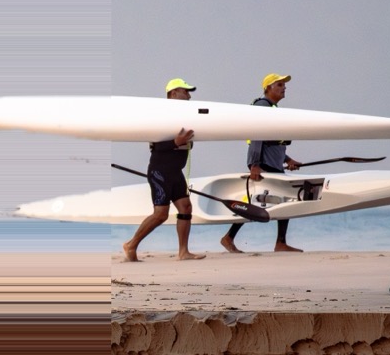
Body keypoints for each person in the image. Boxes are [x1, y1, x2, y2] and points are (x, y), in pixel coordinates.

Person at [121, 78, 206, 262]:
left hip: (176, 172)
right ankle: (131, 244)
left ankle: (183, 252)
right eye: (186, 91)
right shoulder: (160, 115)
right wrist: (176, 142)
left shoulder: (185, 117)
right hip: (160, 172)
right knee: (160, 214)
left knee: (186, 207)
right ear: (174, 93)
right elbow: (155, 145)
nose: (189, 95)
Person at [220, 73, 303, 253]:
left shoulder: (272, 108)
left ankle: (280, 243)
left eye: (284, 85)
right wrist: (255, 165)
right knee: (257, 202)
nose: (284, 88)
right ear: (268, 88)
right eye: (279, 85)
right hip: (263, 163)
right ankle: (229, 238)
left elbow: (275, 142)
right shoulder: (261, 106)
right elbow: (257, 135)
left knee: (285, 200)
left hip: (273, 162)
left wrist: (288, 160)